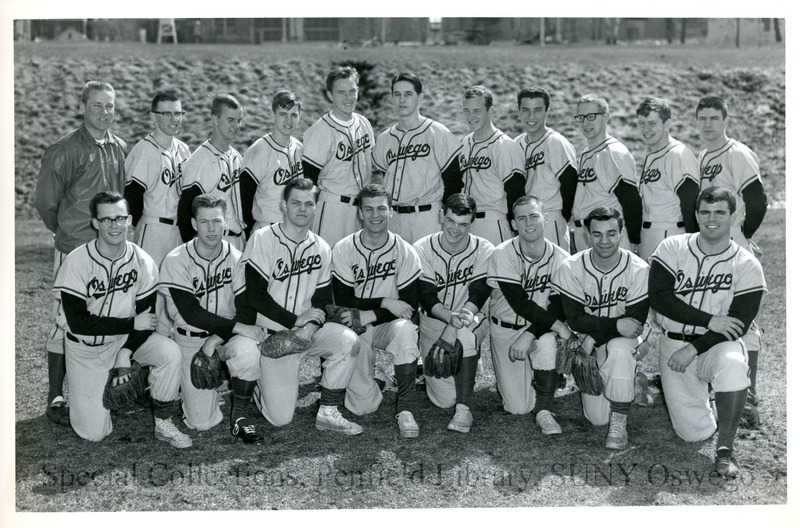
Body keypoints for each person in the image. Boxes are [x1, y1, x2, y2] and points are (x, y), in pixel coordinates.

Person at [224, 178, 364, 440]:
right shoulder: (264, 238)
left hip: (303, 335)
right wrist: (295, 320)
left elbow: (322, 300)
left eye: (308, 203)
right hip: (269, 337)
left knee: (348, 341)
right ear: (284, 205)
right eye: (296, 203)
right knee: (280, 419)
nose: (302, 209)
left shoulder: (321, 247)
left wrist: (308, 329)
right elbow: (255, 295)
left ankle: (328, 412)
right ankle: (256, 381)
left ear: (316, 206)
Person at [52, 191, 189, 447]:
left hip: (125, 341)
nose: (114, 225)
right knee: (94, 433)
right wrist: (129, 324)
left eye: (119, 218)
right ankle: (100, 389)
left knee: (169, 352)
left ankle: (163, 421)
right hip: (86, 349)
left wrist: (125, 352)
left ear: (129, 220)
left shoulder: (142, 260)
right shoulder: (77, 261)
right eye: (106, 220)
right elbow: (79, 321)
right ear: (95, 222)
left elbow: (146, 321)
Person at [648, 187, 765, 479]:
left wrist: (693, 348)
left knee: (735, 366)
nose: (712, 219)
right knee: (692, 434)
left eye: (720, 212)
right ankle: (718, 402)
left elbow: (738, 322)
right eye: (705, 212)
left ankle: (726, 450)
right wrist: (710, 319)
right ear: (696, 215)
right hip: (673, 345)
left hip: (717, 346)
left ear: (733, 216)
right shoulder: (671, 248)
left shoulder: (747, 264)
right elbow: (660, 298)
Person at [34, 80, 128, 426]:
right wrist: (67, 231)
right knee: (64, 321)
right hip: (75, 249)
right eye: (97, 106)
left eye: (110, 106)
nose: (105, 113)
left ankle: (103, 387)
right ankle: (56, 396)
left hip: (110, 249)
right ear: (83, 106)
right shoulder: (65, 149)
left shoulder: (119, 146)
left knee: (105, 313)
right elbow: (45, 202)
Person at [159, 194, 264, 434]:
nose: (211, 228)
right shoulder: (176, 260)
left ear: (226, 221)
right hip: (190, 340)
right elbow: (191, 312)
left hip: (224, 339)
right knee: (202, 423)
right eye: (204, 222)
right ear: (194, 224)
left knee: (247, 352)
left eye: (216, 221)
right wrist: (235, 328)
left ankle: (242, 396)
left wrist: (214, 340)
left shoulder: (237, 257)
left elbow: (247, 309)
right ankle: (212, 384)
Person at [330, 184, 424, 438]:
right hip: (355, 327)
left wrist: (372, 314)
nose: (375, 215)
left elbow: (408, 307)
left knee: (406, 331)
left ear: (391, 211)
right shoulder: (344, 247)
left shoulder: (405, 250)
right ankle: (381, 378)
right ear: (360, 213)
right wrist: (384, 301)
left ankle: (405, 409)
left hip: (385, 325)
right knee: (361, 407)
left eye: (382, 208)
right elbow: (344, 299)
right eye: (368, 209)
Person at [695, 95, 768, 420]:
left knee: (743, 316)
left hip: (732, 240)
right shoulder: (704, 154)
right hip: (713, 240)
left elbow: (758, 199)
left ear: (725, 120)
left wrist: (744, 234)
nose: (707, 124)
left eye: (713, 118)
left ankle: (748, 396)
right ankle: (721, 382)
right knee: (716, 309)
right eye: (702, 118)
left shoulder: (736, 152)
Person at [552, 207, 649, 449]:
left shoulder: (639, 269)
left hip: (624, 341)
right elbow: (575, 319)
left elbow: (633, 324)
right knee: (596, 419)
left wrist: (593, 336)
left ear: (621, 232)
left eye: (611, 233)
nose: (604, 241)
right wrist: (599, 334)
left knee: (619, 350)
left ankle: (619, 424)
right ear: (587, 234)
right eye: (597, 234)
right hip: (592, 341)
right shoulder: (571, 266)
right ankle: (629, 382)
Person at [486, 195, 572, 434]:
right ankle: (541, 377)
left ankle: (544, 408)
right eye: (521, 218)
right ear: (513, 224)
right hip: (506, 328)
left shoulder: (561, 258)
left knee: (546, 343)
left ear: (545, 218)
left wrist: (530, 334)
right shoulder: (503, 253)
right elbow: (520, 303)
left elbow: (558, 307)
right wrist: (560, 327)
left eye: (534, 216)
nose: (528, 223)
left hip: (539, 330)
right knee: (518, 407)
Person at [413, 193, 494, 432]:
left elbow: (479, 293)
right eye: (451, 221)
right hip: (434, 321)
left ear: (472, 223)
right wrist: (449, 319)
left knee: (465, 336)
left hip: (471, 317)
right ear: (442, 216)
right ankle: (456, 363)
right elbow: (426, 296)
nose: (456, 230)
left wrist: (456, 322)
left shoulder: (483, 248)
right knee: (442, 400)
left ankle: (464, 411)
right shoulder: (423, 247)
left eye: (463, 224)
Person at [372, 72, 463, 243]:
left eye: (408, 94)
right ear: (391, 99)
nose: (402, 100)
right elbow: (387, 176)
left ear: (420, 98)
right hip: (395, 219)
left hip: (428, 218)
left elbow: (454, 180)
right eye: (397, 94)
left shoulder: (437, 132)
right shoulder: (385, 138)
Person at [302, 66, 375, 246]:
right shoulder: (320, 130)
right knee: (329, 264)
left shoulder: (364, 123)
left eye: (352, 91)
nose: (348, 97)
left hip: (360, 208)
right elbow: (308, 178)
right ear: (330, 95)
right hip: (333, 209)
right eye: (341, 92)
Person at [124, 90, 191, 267]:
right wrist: (144, 223)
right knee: (150, 286)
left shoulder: (183, 149)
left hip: (177, 230)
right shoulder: (144, 150)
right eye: (166, 113)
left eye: (177, 113)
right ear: (153, 117)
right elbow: (132, 195)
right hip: (153, 229)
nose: (173, 119)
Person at [571, 94, 641, 253]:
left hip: (607, 237)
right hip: (586, 234)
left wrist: (634, 240)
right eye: (580, 117)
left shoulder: (613, 152)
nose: (585, 122)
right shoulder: (586, 152)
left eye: (591, 116)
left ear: (606, 117)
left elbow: (631, 201)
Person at [458, 85, 526, 246]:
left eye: (477, 111)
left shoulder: (504, 145)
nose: (471, 116)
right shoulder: (465, 143)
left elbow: (515, 192)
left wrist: (515, 228)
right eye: (466, 110)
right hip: (467, 223)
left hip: (493, 223)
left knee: (498, 270)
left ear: (490, 111)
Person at [178, 94, 246, 251]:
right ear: (215, 119)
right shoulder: (200, 159)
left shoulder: (236, 156)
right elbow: (184, 213)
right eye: (230, 120)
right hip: (211, 243)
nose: (236, 125)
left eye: (239, 120)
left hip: (236, 241)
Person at [514, 87, 578, 252]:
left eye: (538, 110)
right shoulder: (516, 144)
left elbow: (570, 182)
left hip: (550, 217)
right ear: (519, 112)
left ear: (547, 112)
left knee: (556, 271)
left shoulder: (555, 142)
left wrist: (562, 216)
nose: (531, 116)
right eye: (526, 110)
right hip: (526, 218)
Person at [635, 97, 700, 260]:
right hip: (649, 235)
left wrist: (694, 247)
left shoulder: (678, 154)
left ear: (667, 124)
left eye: (652, 123)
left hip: (671, 233)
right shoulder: (652, 154)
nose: (646, 129)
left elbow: (691, 203)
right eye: (641, 123)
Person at [239, 90, 304, 238]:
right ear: (273, 115)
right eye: (283, 114)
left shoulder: (299, 149)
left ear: (300, 116)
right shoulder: (259, 150)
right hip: (267, 229)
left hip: (294, 229)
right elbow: (244, 197)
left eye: (293, 115)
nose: (289, 120)